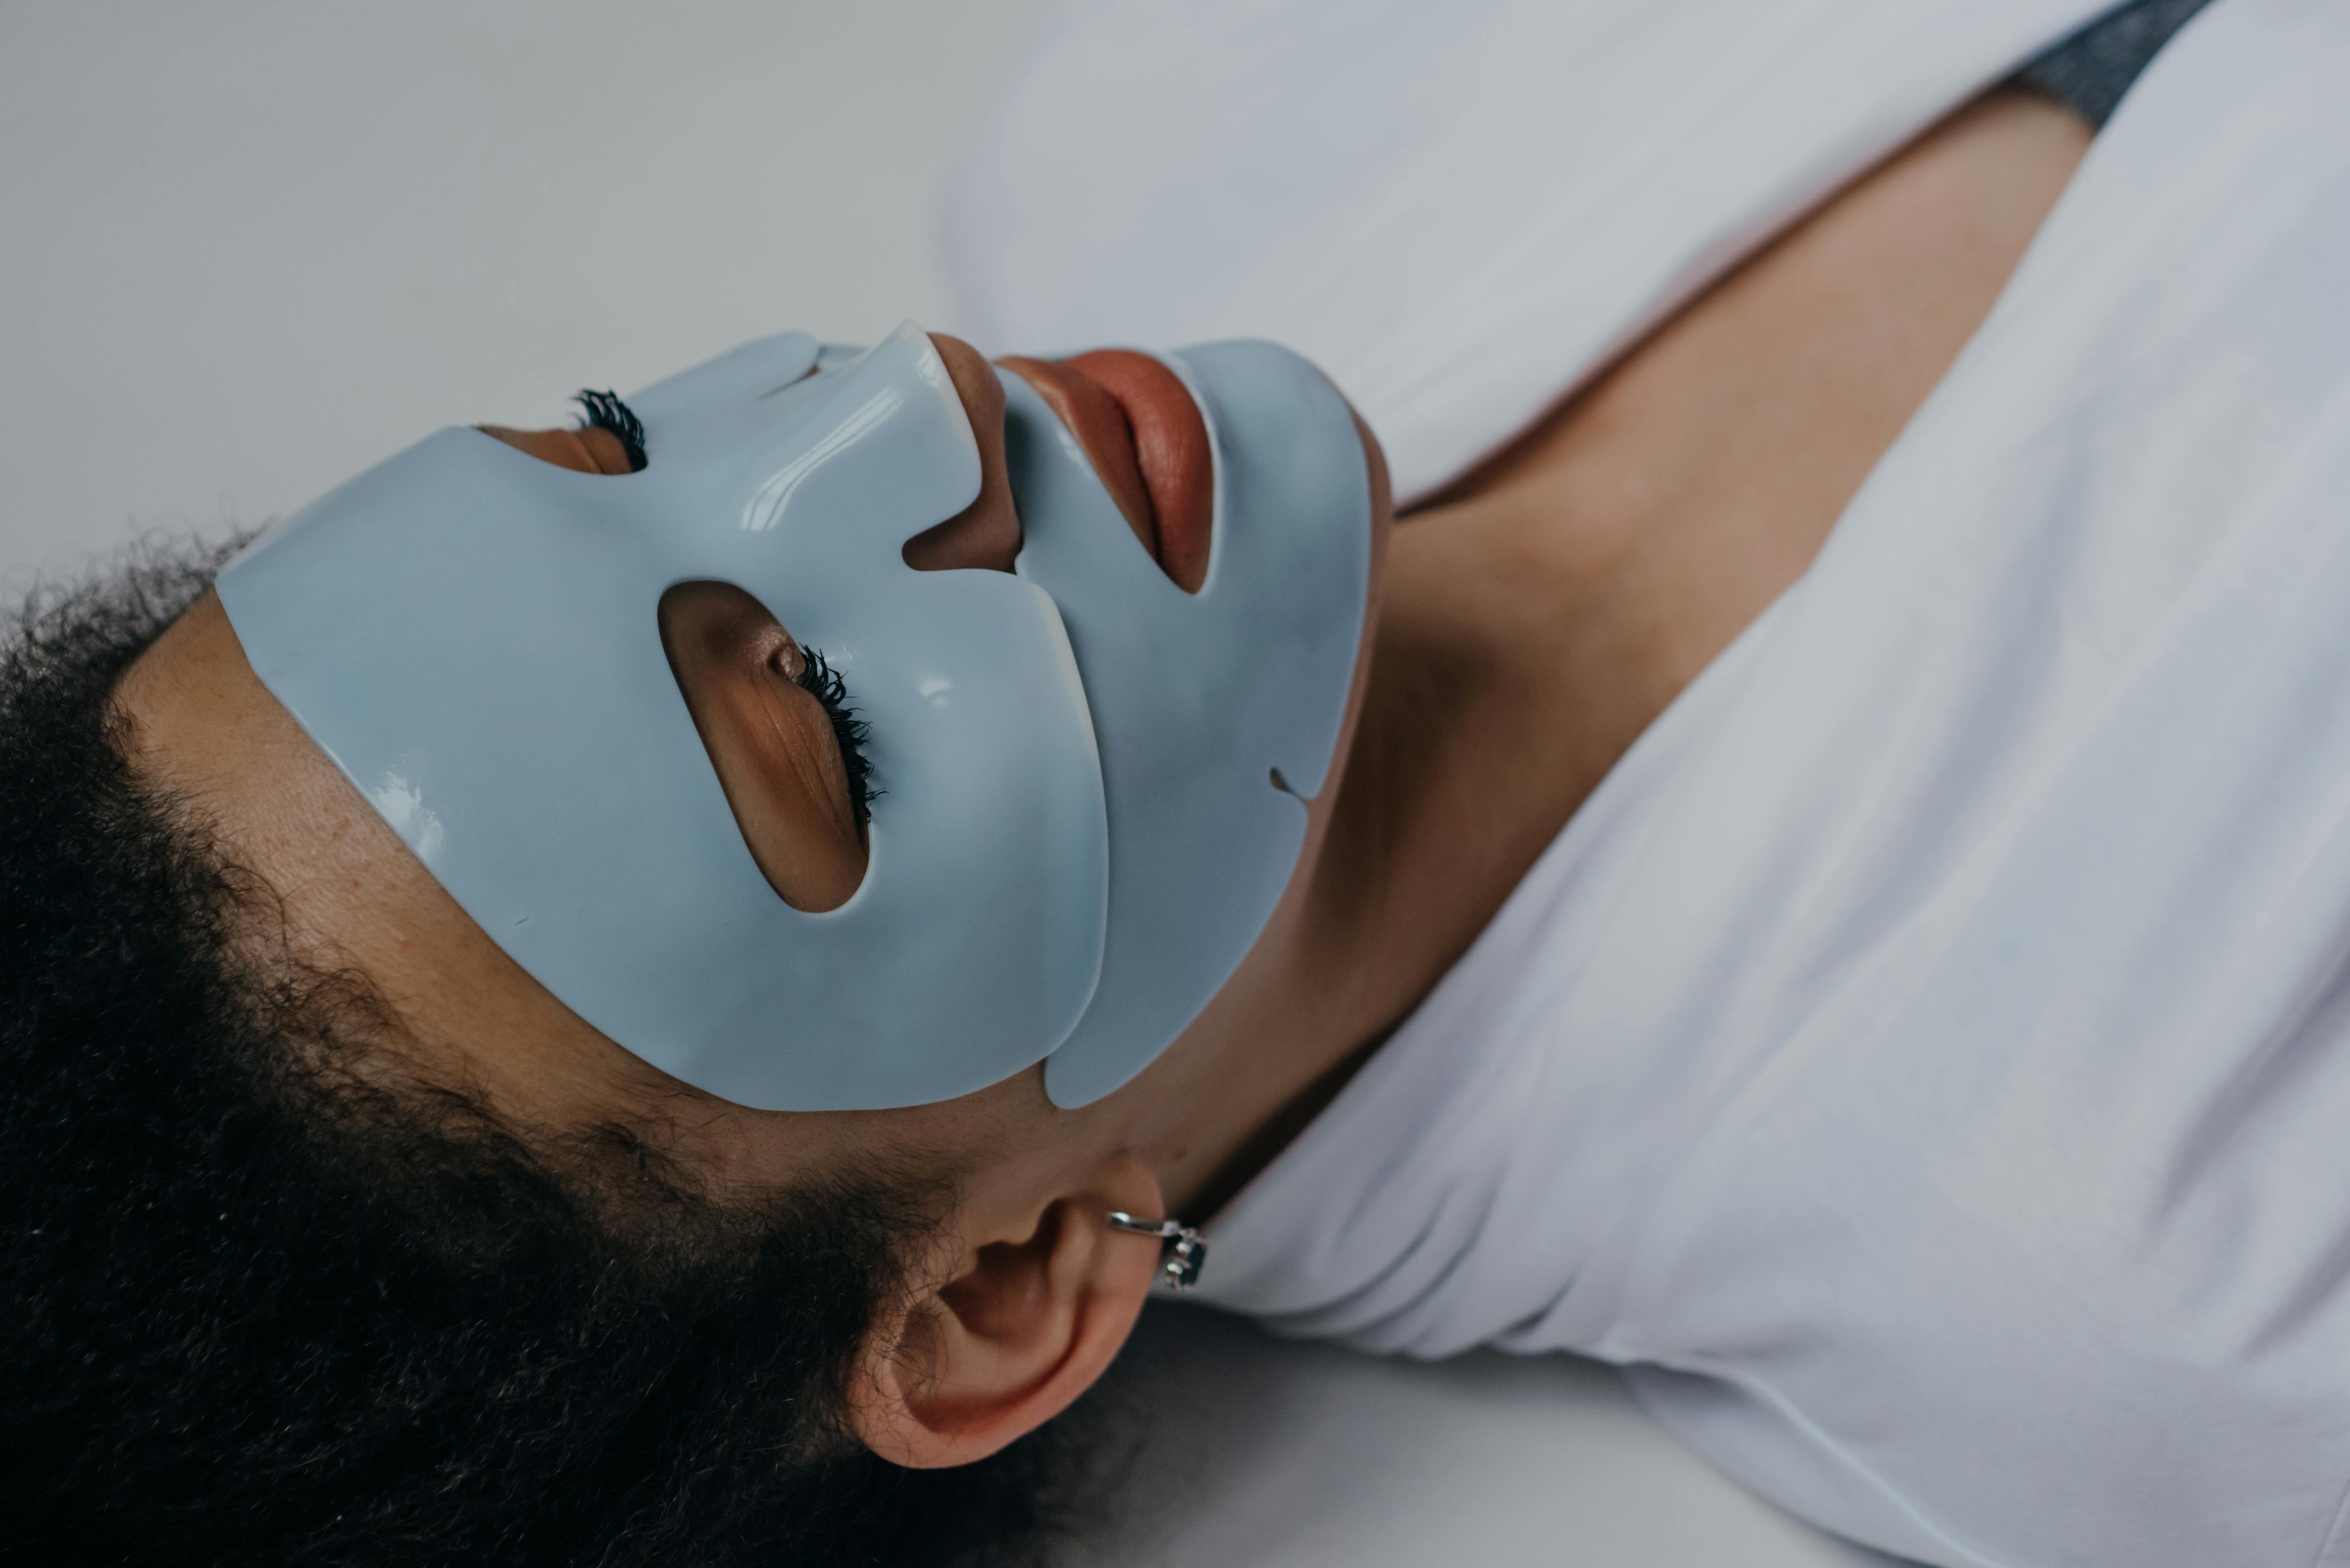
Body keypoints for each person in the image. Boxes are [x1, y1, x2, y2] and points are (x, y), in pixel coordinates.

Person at [8, 2, 2341, 1566]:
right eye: (821, 723)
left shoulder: (1175, 97)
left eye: (613, 441)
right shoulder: (2186, 1258)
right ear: (1004, 1293)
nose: (910, 397)